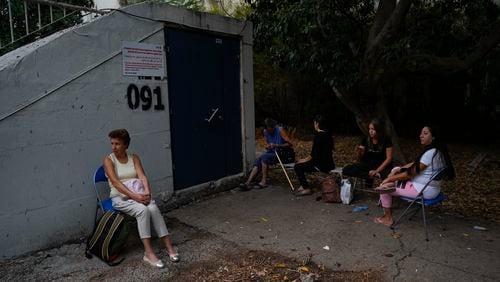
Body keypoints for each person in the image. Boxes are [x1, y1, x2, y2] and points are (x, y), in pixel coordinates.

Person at [103, 129, 179, 268]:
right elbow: (116, 183)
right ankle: (149, 253)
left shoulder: (134, 158)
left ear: (126, 145)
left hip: (138, 194)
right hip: (120, 197)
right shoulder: (109, 160)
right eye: (112, 143)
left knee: (153, 208)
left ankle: (169, 247)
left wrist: (147, 193)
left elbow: (142, 176)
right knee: (142, 211)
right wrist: (136, 197)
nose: (113, 147)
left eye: (117, 144)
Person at [373, 125, 455, 226]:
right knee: (391, 181)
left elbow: (409, 174)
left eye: (425, 133)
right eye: (421, 133)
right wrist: (400, 168)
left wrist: (389, 178)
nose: (421, 136)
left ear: (433, 137)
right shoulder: (438, 151)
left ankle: (388, 218)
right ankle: (389, 192)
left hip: (422, 191)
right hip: (432, 189)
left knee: (383, 188)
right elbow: (415, 163)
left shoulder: (430, 153)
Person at [239, 118, 293, 190]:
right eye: (268, 130)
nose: (269, 131)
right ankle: (248, 183)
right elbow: (269, 142)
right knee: (259, 160)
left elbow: (290, 144)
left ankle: (264, 181)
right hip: (272, 152)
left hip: (282, 153)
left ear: (274, 126)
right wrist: (269, 146)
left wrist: (277, 145)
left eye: (271, 129)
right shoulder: (265, 131)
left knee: (265, 157)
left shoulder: (280, 130)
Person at [342, 119, 393, 188]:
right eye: (369, 129)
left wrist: (376, 170)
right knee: (346, 169)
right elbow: (360, 157)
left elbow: (389, 159)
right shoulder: (366, 139)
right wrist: (359, 152)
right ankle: (370, 175)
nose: (371, 131)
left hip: (381, 165)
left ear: (379, 130)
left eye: (373, 129)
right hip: (368, 165)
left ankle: (376, 174)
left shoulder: (386, 140)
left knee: (389, 174)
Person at [294, 115, 336, 196]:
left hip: (321, 165)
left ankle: (306, 188)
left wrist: (302, 160)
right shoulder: (328, 133)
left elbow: (313, 155)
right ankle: (303, 185)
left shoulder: (319, 135)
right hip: (330, 164)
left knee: (298, 166)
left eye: (314, 123)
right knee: (302, 164)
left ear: (317, 123)